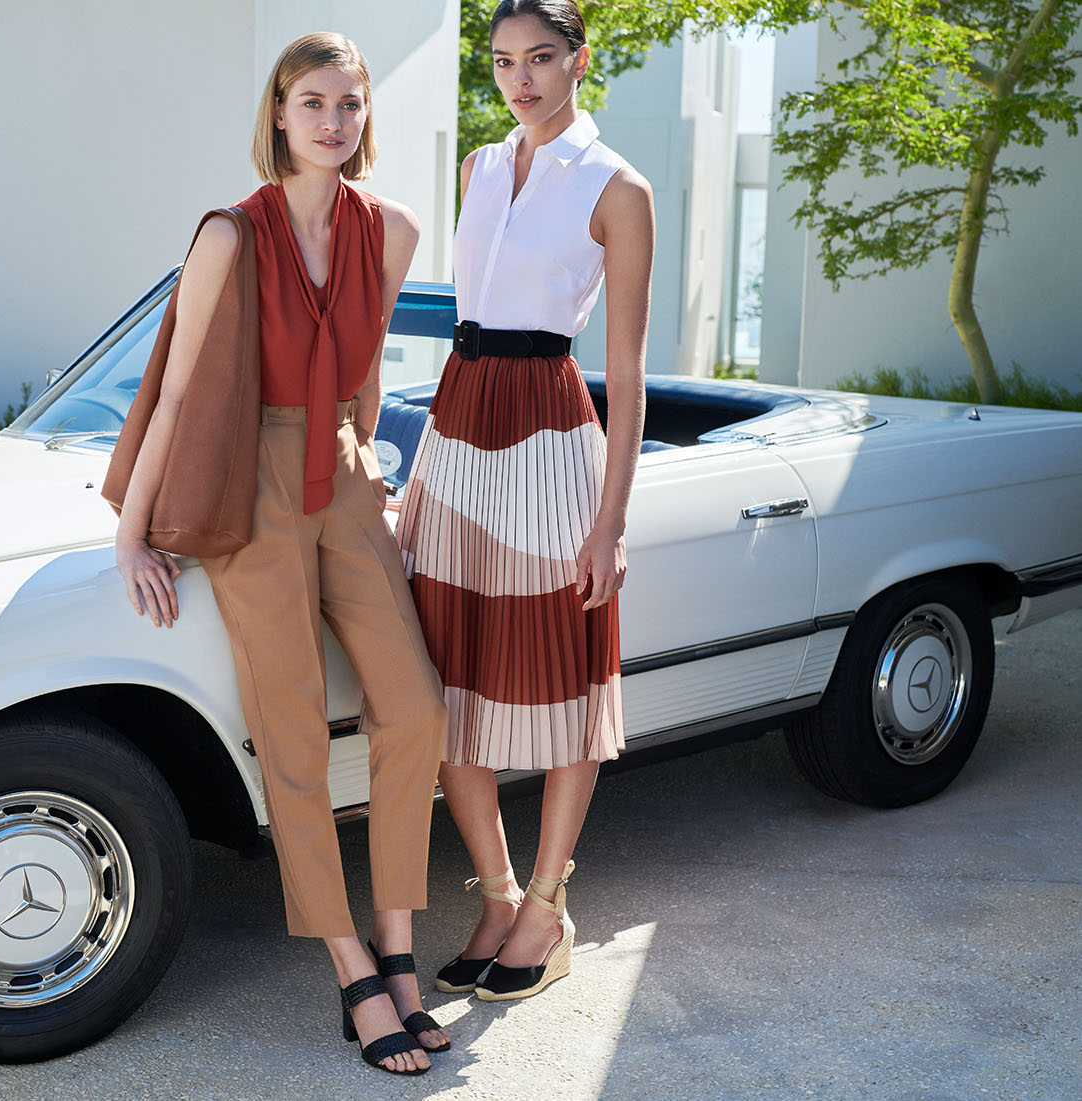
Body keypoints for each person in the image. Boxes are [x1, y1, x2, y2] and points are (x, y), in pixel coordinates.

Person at [113, 33, 452, 1075]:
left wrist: (372, 473)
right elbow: (175, 387)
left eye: (349, 104)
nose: (333, 122)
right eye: (314, 102)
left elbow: (365, 380)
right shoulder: (231, 232)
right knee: (293, 729)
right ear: (277, 114)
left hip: (344, 481)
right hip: (252, 486)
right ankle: (350, 965)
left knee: (417, 710)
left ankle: (399, 949)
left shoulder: (389, 229)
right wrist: (133, 531)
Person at [395, 0, 654, 1002]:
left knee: (559, 678)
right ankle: (496, 895)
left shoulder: (615, 187)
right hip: (456, 437)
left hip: (550, 438)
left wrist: (610, 522)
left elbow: (625, 377)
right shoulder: (477, 167)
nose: (521, 79)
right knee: (450, 684)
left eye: (541, 59)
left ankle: (549, 903)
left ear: (578, 60)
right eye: (503, 61)